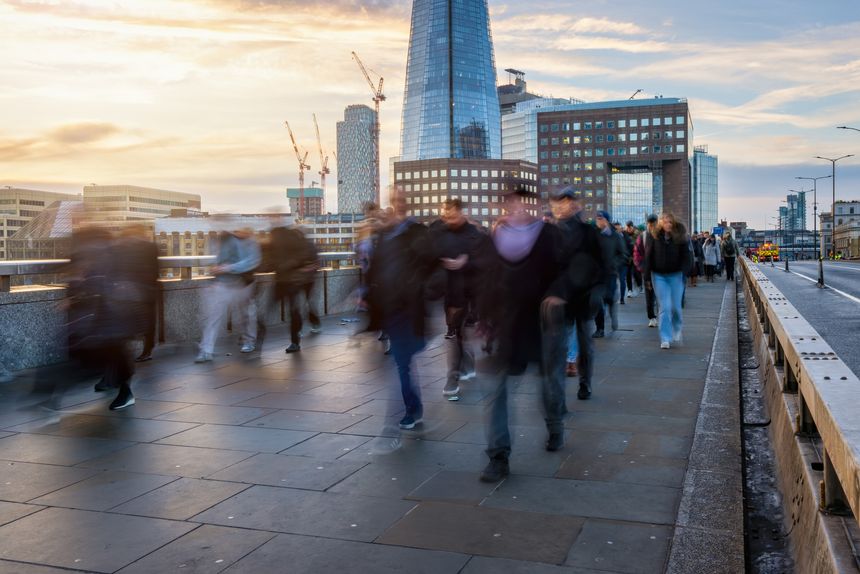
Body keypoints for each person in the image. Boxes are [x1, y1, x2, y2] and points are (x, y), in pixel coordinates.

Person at [479, 187, 564, 482]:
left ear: (532, 205)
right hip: (506, 325)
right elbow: (487, 279)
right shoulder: (496, 238)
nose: (515, 207)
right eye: (509, 202)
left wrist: (557, 294)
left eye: (520, 201)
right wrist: (484, 318)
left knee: (548, 385)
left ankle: (554, 424)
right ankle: (498, 456)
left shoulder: (549, 235)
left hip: (541, 322)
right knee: (497, 390)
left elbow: (564, 271)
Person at [366, 192, 437, 430]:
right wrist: (364, 293)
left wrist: (420, 287)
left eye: (400, 201)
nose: (397, 205)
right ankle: (412, 409)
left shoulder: (417, 232)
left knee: (402, 360)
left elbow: (431, 264)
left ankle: (411, 409)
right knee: (402, 360)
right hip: (390, 307)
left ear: (405, 205)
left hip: (409, 306)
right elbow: (374, 267)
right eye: (394, 200)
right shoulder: (384, 236)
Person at [545, 188, 606, 403]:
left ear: (575, 205)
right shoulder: (548, 234)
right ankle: (556, 393)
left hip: (583, 298)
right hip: (557, 301)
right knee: (556, 346)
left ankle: (585, 381)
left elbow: (600, 266)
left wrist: (597, 293)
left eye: (566, 203)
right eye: (557, 203)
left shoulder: (589, 233)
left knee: (584, 342)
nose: (561, 207)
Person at [428, 198, 490, 401]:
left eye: (452, 215)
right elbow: (427, 257)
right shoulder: (437, 232)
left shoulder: (475, 235)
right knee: (456, 333)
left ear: (462, 213)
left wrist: (466, 261)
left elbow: (486, 262)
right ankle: (467, 366)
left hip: (471, 293)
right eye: (445, 215)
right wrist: (440, 261)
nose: (449, 219)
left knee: (456, 334)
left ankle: (452, 379)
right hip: (450, 293)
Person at [195, 224, 261, 363]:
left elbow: (251, 262)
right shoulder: (224, 240)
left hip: (243, 284)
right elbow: (218, 260)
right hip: (223, 284)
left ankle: (249, 341)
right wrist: (215, 276)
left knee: (246, 315)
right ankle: (206, 350)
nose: (239, 232)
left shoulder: (251, 242)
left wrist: (228, 268)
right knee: (213, 317)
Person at [269, 223, 321, 353]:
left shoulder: (308, 246)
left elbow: (315, 263)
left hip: (305, 281)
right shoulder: (291, 246)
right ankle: (297, 335)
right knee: (296, 308)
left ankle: (302, 332)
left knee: (303, 305)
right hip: (293, 282)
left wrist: (304, 270)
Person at [644, 212, 692, 350]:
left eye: (670, 222)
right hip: (659, 276)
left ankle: (677, 328)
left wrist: (684, 272)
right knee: (664, 307)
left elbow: (687, 257)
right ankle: (665, 337)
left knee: (676, 307)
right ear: (661, 223)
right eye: (665, 222)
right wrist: (646, 277)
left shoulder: (680, 237)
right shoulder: (653, 236)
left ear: (674, 223)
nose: (668, 225)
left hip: (676, 275)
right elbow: (648, 257)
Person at [593, 211, 627, 338]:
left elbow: (623, 254)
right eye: (597, 219)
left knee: (608, 297)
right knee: (596, 301)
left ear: (606, 220)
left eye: (600, 218)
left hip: (610, 273)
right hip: (595, 275)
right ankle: (599, 329)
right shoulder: (594, 235)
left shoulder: (616, 236)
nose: (598, 221)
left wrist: (613, 263)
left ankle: (612, 311)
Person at [634, 214, 659, 328]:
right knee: (649, 295)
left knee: (662, 295)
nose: (651, 226)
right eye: (649, 224)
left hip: (661, 270)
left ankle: (661, 315)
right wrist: (642, 268)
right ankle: (652, 317)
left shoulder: (662, 235)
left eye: (653, 223)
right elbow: (637, 254)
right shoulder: (643, 236)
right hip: (648, 271)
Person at [625, 221, 643, 297]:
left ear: (632, 226)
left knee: (636, 273)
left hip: (636, 257)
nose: (629, 229)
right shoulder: (624, 234)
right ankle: (629, 290)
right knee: (628, 274)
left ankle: (640, 285)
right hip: (627, 257)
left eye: (630, 227)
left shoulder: (638, 234)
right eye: (627, 227)